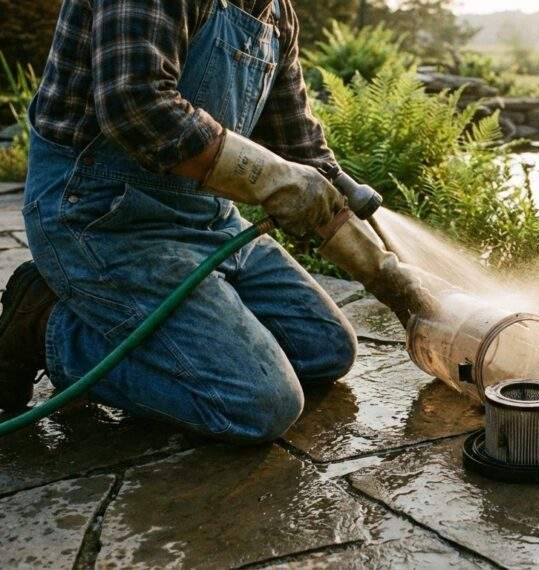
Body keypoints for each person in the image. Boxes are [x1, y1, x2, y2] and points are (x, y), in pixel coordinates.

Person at [0, 0, 373, 443]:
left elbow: (297, 142)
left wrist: (391, 272)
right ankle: (47, 326)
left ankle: (171, 320)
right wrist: (273, 179)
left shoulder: (276, 12)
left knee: (325, 350)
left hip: (207, 215)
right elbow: (136, 105)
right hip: (102, 213)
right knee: (258, 405)